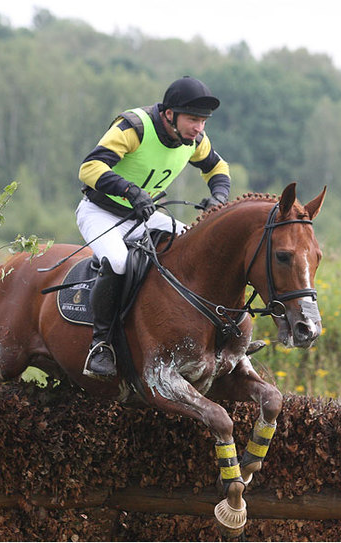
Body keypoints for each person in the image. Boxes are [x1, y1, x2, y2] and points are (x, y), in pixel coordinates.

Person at [76, 76, 231, 379]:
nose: (199, 128)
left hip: (144, 216)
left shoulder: (195, 140)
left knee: (199, 248)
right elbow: (90, 168)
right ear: (169, 115)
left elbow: (218, 168)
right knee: (118, 262)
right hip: (101, 213)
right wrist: (131, 191)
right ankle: (101, 346)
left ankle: (219, 335)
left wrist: (219, 198)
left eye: (203, 121)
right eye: (193, 119)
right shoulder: (134, 128)